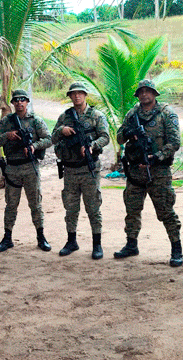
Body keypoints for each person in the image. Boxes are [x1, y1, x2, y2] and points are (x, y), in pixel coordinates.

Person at [113, 79, 183, 265]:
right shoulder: (132, 114)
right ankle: (131, 244)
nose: (144, 94)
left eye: (148, 91)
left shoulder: (166, 114)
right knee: (132, 209)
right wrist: (129, 133)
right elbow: (119, 137)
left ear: (154, 94)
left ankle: (176, 249)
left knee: (166, 210)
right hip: (135, 171)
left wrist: (157, 157)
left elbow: (175, 142)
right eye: (141, 92)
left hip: (158, 171)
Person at [51, 83, 110, 260]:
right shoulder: (65, 117)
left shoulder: (96, 116)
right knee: (71, 207)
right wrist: (62, 130)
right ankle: (71, 241)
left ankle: (97, 244)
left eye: (80, 93)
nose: (77, 96)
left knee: (93, 207)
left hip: (89, 169)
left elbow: (105, 137)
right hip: (70, 169)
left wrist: (93, 145)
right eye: (73, 94)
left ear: (85, 95)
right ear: (70, 96)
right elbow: (52, 138)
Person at [0, 89, 53, 252]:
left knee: (35, 204)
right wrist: (7, 135)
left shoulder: (36, 121)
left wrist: (34, 146)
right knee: (11, 204)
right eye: (16, 100)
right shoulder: (7, 121)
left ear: (27, 102)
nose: (19, 102)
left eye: (22, 100)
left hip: (30, 167)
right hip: (12, 168)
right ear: (12, 103)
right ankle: (7, 238)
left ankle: (41, 237)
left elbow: (49, 139)